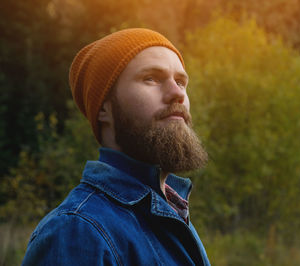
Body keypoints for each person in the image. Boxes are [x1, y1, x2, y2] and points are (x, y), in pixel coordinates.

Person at [22, 28, 210, 266]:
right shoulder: (77, 230)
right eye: (150, 78)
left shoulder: (173, 211)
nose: (177, 93)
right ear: (104, 108)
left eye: (181, 81)